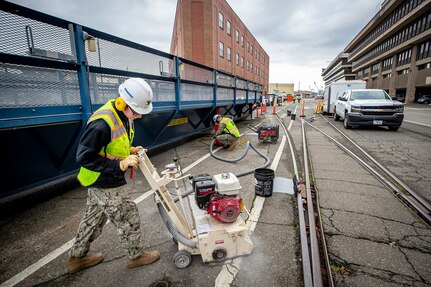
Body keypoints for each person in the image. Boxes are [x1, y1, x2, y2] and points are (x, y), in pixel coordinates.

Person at [67, 78, 160, 273]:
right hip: (101, 179)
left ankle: (77, 258)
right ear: (122, 103)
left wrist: (130, 151)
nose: (139, 117)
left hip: (104, 177)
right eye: (136, 112)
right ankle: (136, 256)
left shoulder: (124, 116)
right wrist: (120, 164)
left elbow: (114, 144)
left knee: (93, 219)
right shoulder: (102, 123)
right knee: (127, 214)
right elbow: (84, 157)